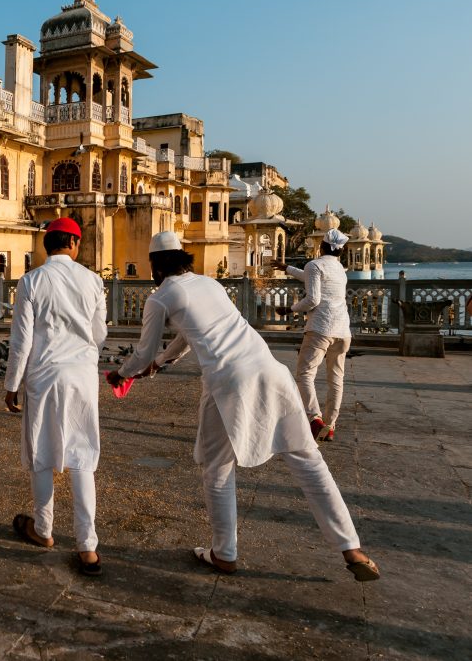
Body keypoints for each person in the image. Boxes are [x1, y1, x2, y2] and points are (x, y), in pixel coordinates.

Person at [109, 231, 380, 581]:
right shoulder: (208, 284)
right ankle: (351, 548)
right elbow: (189, 335)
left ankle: (224, 553)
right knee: (308, 460)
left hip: (229, 381)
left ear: (154, 265)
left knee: (217, 467)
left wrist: (123, 373)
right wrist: (161, 362)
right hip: (270, 370)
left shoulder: (160, 297)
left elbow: (142, 353)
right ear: (184, 257)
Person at [5, 217, 108, 576]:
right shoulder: (93, 281)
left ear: (46, 246)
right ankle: (87, 547)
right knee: (82, 456)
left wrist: (11, 384)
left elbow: (22, 342)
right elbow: (99, 333)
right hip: (81, 376)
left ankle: (44, 530)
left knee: (42, 451)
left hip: (44, 375)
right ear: (75, 245)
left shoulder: (31, 281)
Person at [273, 229, 352, 442]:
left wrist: (290, 309)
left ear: (322, 246)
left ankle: (314, 419)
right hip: (343, 330)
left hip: (320, 328)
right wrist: (287, 268)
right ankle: (330, 425)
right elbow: (310, 276)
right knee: (336, 378)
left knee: (305, 375)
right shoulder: (340, 269)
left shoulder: (315, 264)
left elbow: (313, 299)